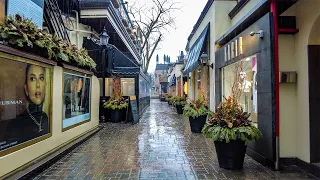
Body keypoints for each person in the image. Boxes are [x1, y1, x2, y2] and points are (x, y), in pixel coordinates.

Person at [3, 64, 49, 147]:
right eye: (33, 79)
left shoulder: (44, 117)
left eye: (41, 78)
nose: (38, 85)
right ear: (26, 89)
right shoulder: (16, 125)